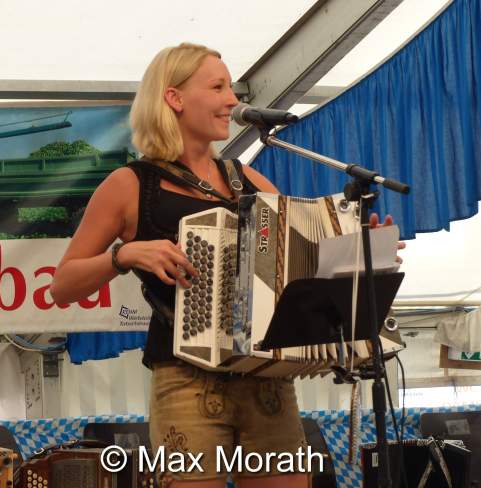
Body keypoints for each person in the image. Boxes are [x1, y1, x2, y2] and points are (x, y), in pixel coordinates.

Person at [50, 42, 401, 488]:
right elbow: (63, 285)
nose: (233, 100)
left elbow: (305, 264)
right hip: (185, 381)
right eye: (217, 87)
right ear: (174, 98)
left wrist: (363, 254)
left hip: (266, 377)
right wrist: (124, 255)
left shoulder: (247, 179)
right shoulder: (130, 185)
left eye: (231, 88)